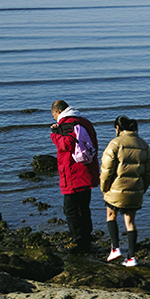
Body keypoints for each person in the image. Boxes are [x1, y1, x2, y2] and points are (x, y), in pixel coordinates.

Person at [99, 115, 150, 267]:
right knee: (130, 221)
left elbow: (107, 170)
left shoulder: (115, 144)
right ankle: (131, 257)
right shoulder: (144, 145)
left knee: (111, 215)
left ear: (118, 128)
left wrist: (104, 188)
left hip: (115, 189)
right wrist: (142, 189)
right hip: (136, 190)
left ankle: (115, 248)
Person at [50, 100, 100, 252]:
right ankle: (86, 239)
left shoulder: (66, 124)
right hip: (87, 171)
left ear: (57, 112)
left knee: (70, 209)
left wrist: (54, 135)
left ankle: (78, 242)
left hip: (73, 173)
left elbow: (66, 145)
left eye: (54, 116)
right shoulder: (85, 122)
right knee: (83, 207)